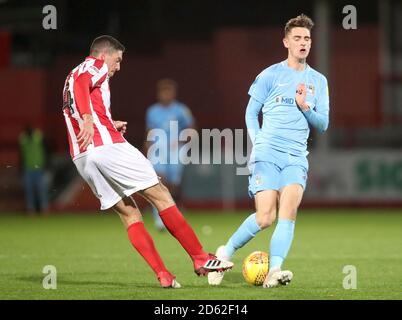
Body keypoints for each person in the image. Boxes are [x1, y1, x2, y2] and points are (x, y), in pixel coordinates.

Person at [62, 35, 233, 288]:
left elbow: (78, 98)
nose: (118, 67)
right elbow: (84, 87)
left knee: (130, 214)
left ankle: (163, 275)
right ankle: (200, 258)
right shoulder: (93, 66)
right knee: (161, 194)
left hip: (83, 156)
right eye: (117, 60)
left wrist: (108, 123)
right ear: (103, 55)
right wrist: (89, 119)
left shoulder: (70, 75)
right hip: (106, 147)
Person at [208, 14, 329, 288]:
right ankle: (224, 254)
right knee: (265, 218)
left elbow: (323, 124)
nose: (303, 43)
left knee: (288, 212)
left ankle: (275, 270)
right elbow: (251, 113)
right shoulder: (270, 75)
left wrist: (305, 107)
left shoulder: (318, 82)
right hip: (268, 152)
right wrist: (257, 142)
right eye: (297, 38)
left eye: (307, 38)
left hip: (296, 157)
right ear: (286, 42)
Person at [145, 79, 194, 231]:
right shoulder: (152, 111)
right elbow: (148, 132)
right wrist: (147, 148)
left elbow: (191, 129)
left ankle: (170, 211)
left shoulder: (181, 110)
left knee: (173, 184)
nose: (165, 94)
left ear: (173, 93)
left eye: (168, 91)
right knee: (160, 180)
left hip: (175, 150)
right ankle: (160, 216)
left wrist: (181, 141)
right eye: (163, 91)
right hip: (158, 150)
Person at [19, 125, 49, 213]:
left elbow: (46, 150)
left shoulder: (38, 137)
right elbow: (21, 154)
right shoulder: (23, 139)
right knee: (29, 191)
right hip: (28, 168)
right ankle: (31, 209)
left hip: (39, 167)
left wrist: (47, 164)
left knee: (41, 190)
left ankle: (44, 209)